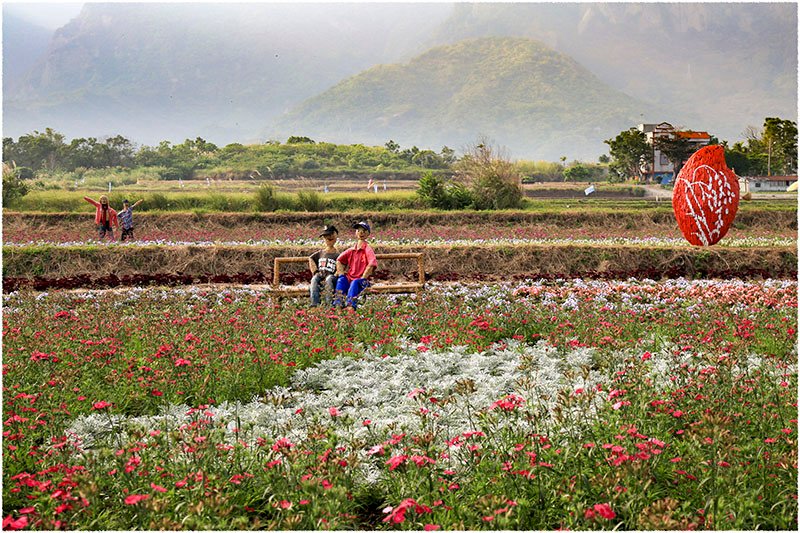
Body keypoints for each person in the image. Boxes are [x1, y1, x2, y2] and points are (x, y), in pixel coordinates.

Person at [333, 221, 378, 309]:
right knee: (341, 281)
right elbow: (339, 260)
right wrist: (341, 274)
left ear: (368, 234)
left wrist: (363, 278)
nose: (361, 233)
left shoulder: (367, 250)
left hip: (361, 281)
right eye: (358, 230)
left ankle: (350, 306)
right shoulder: (351, 250)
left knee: (355, 283)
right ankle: (338, 305)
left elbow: (371, 264)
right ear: (356, 233)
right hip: (350, 278)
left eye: (364, 231)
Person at [308, 225, 340, 306]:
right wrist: (315, 271)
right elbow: (311, 258)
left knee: (329, 279)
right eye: (325, 236)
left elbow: (342, 264)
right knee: (314, 279)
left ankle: (329, 304)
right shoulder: (321, 253)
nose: (328, 238)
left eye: (330, 235)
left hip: (331, 277)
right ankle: (314, 304)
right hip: (321, 274)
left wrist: (337, 272)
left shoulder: (338, 254)